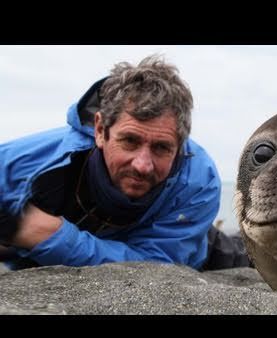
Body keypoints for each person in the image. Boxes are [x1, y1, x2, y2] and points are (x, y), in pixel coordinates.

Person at [0, 54, 250, 271]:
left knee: (247, 254)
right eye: (129, 141)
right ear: (100, 130)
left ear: (180, 143)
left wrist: (45, 233)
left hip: (184, 239)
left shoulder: (198, 180)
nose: (142, 165)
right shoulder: (19, 166)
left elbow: (156, 265)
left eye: (161, 148)